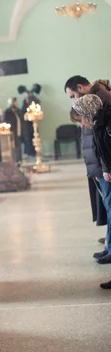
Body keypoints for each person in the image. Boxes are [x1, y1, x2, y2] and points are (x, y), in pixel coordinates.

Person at [64, 76, 111, 264]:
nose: (83, 125)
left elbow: (103, 145)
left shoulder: (105, 118)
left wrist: (105, 168)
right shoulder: (99, 113)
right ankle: (109, 244)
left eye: (82, 120)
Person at [73, 93, 111, 290]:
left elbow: (107, 149)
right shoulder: (101, 122)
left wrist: (107, 169)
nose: (82, 122)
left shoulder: (106, 123)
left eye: (82, 116)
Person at [3, 97, 24, 164]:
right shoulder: (7, 112)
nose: (17, 103)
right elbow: (4, 121)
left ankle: (19, 160)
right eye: (15, 102)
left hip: (19, 131)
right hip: (11, 131)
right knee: (13, 147)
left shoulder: (18, 111)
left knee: (19, 146)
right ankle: (14, 161)